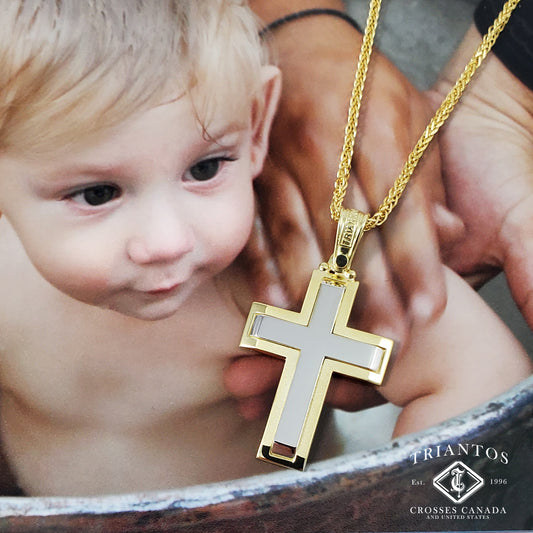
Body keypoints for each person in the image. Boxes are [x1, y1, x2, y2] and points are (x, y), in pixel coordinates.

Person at [0, 0, 530, 497]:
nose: (168, 242)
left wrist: (399, 512)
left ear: (257, 123)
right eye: (97, 194)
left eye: (205, 167)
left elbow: (484, 378)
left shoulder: (281, 272)